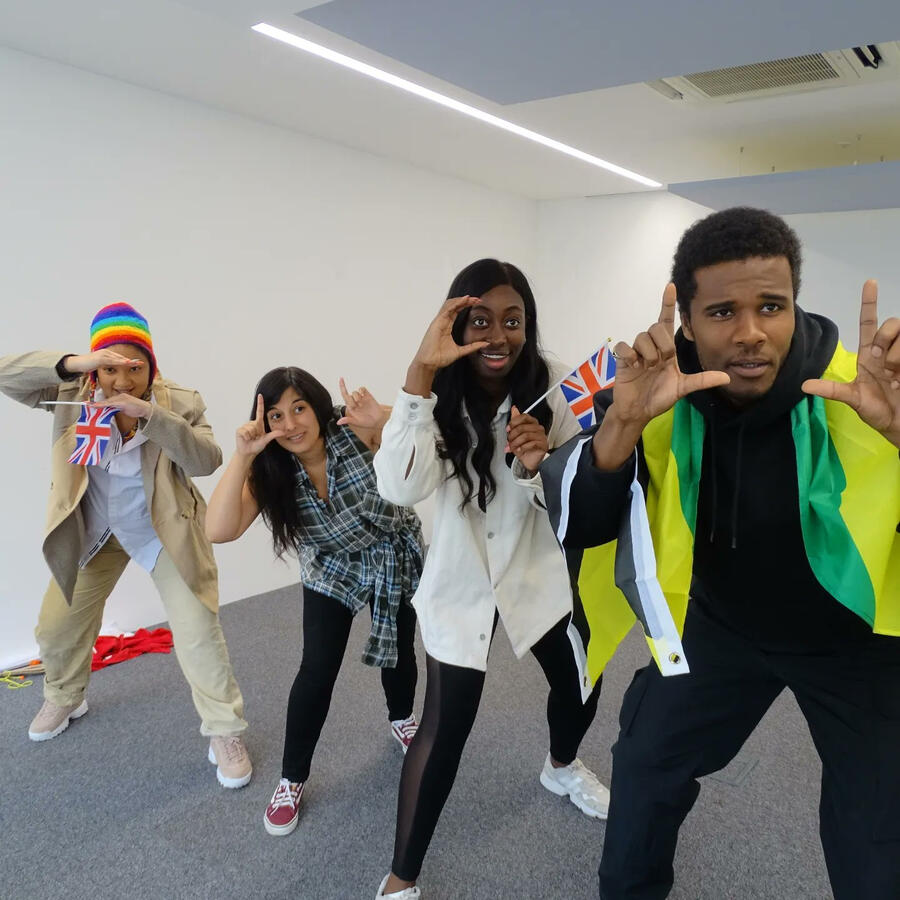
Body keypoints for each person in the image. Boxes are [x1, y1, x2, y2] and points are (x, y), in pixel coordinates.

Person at [540, 207, 900, 900]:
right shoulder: (659, 394)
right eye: (722, 311)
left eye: (772, 306)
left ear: (794, 302)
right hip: (723, 626)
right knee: (644, 763)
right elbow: (581, 521)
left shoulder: (861, 390)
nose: (751, 333)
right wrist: (621, 420)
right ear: (689, 322)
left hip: (859, 638)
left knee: (877, 842)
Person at [373, 259, 608, 900]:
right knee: (444, 728)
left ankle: (561, 767)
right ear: (454, 323)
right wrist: (420, 372)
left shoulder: (552, 387)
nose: (498, 336)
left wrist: (540, 465)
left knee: (583, 684)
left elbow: (577, 502)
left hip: (537, 571)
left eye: (513, 321)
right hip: (461, 577)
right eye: (481, 321)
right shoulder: (433, 394)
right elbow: (397, 485)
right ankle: (401, 879)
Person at [0, 302, 251, 788]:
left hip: (162, 533)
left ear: (150, 366)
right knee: (54, 628)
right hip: (96, 532)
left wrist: (152, 417)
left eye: (133, 367)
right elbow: (6, 376)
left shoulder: (177, 400)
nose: (121, 379)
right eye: (109, 366)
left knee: (199, 633)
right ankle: (66, 694)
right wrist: (74, 364)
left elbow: (207, 460)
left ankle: (225, 730)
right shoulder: (70, 390)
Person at [205, 367, 424, 836]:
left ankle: (402, 718)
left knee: (400, 646)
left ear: (318, 406)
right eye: (277, 416)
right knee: (317, 670)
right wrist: (242, 456)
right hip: (330, 568)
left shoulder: (354, 427)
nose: (290, 425)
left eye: (299, 408)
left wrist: (383, 419)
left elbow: (426, 446)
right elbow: (218, 530)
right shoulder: (272, 469)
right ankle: (291, 778)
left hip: (390, 551)